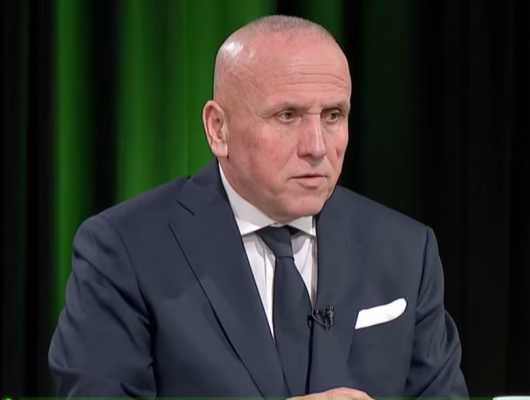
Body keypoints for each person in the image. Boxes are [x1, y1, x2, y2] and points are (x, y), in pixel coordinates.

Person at [49, 15, 468, 399]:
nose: (317, 147)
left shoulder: (405, 250)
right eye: (287, 115)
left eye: (333, 115)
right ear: (218, 129)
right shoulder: (124, 250)